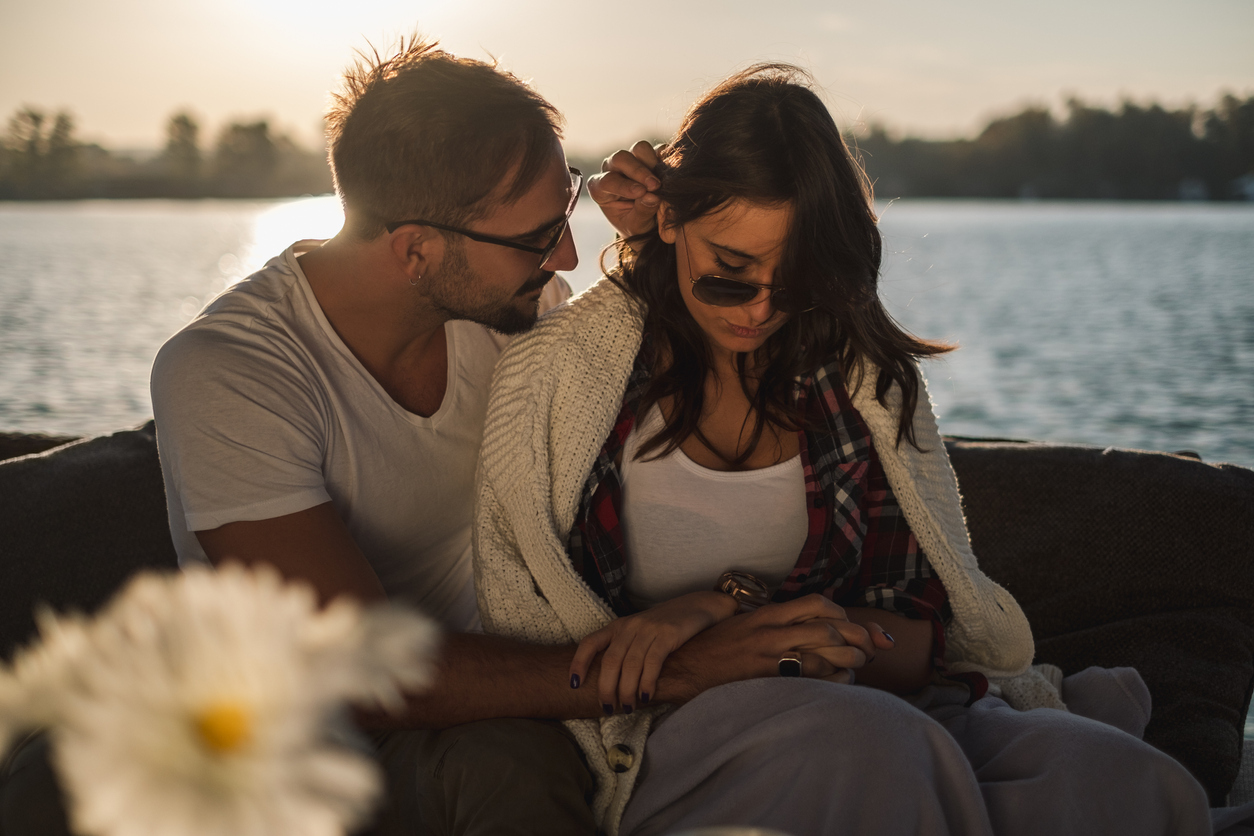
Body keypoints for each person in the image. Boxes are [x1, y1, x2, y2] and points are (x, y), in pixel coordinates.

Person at [473, 64, 1215, 835]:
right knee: (872, 750)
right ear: (668, 224)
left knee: (1122, 780)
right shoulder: (559, 380)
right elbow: (532, 636)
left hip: (880, 704)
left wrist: (749, 622)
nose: (761, 309)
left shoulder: (858, 380)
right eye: (729, 275)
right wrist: (727, 653)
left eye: (792, 279)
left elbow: (921, 636)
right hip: (659, 730)